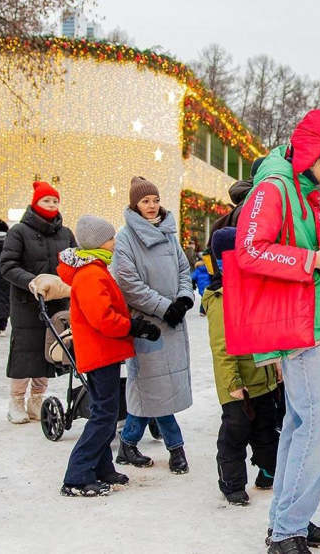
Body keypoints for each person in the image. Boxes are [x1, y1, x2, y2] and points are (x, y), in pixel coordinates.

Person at [233, 109, 320, 554]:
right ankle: (287, 530)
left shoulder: (299, 190)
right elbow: (248, 250)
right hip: (297, 326)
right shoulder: (275, 187)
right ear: (310, 152)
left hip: (311, 321)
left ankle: (291, 521)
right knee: (316, 428)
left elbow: (298, 252)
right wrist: (311, 261)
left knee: (300, 425)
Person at [57, 215, 161, 497]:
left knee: (106, 412)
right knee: (103, 416)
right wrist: (134, 327)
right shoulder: (91, 274)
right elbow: (102, 318)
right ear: (98, 242)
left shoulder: (96, 268)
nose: (115, 242)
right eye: (111, 238)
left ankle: (101, 467)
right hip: (100, 351)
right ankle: (77, 475)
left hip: (104, 351)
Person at [112, 176, 196, 474]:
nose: (152, 205)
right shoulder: (125, 238)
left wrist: (184, 300)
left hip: (174, 323)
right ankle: (177, 449)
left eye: (155, 200)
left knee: (157, 390)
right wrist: (164, 307)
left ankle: (128, 442)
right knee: (155, 389)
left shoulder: (169, 235)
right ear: (135, 204)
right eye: (145, 201)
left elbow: (184, 269)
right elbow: (128, 283)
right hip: (148, 325)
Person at [206, 227, 280, 506]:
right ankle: (232, 483)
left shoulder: (253, 288)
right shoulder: (221, 297)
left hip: (262, 376)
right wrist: (233, 383)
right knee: (235, 434)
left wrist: (275, 364)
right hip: (239, 385)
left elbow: (266, 332)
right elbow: (221, 347)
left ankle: (267, 471)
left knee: (266, 429)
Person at [0, 182, 76, 424]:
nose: (52, 205)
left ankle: (37, 398)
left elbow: (75, 261)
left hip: (58, 302)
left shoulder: (65, 233)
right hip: (27, 301)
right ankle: (16, 400)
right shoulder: (19, 232)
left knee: (48, 350)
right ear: (35, 203)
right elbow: (8, 265)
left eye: (55, 201)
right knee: (25, 350)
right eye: (47, 200)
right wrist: (33, 282)